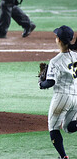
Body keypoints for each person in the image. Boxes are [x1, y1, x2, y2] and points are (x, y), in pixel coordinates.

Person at [39, 25, 77, 159]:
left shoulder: (55, 61)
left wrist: (41, 84)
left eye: (56, 36)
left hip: (62, 97)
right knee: (67, 127)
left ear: (59, 40)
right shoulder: (76, 54)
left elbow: (50, 82)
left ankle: (63, 157)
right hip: (76, 97)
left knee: (53, 128)